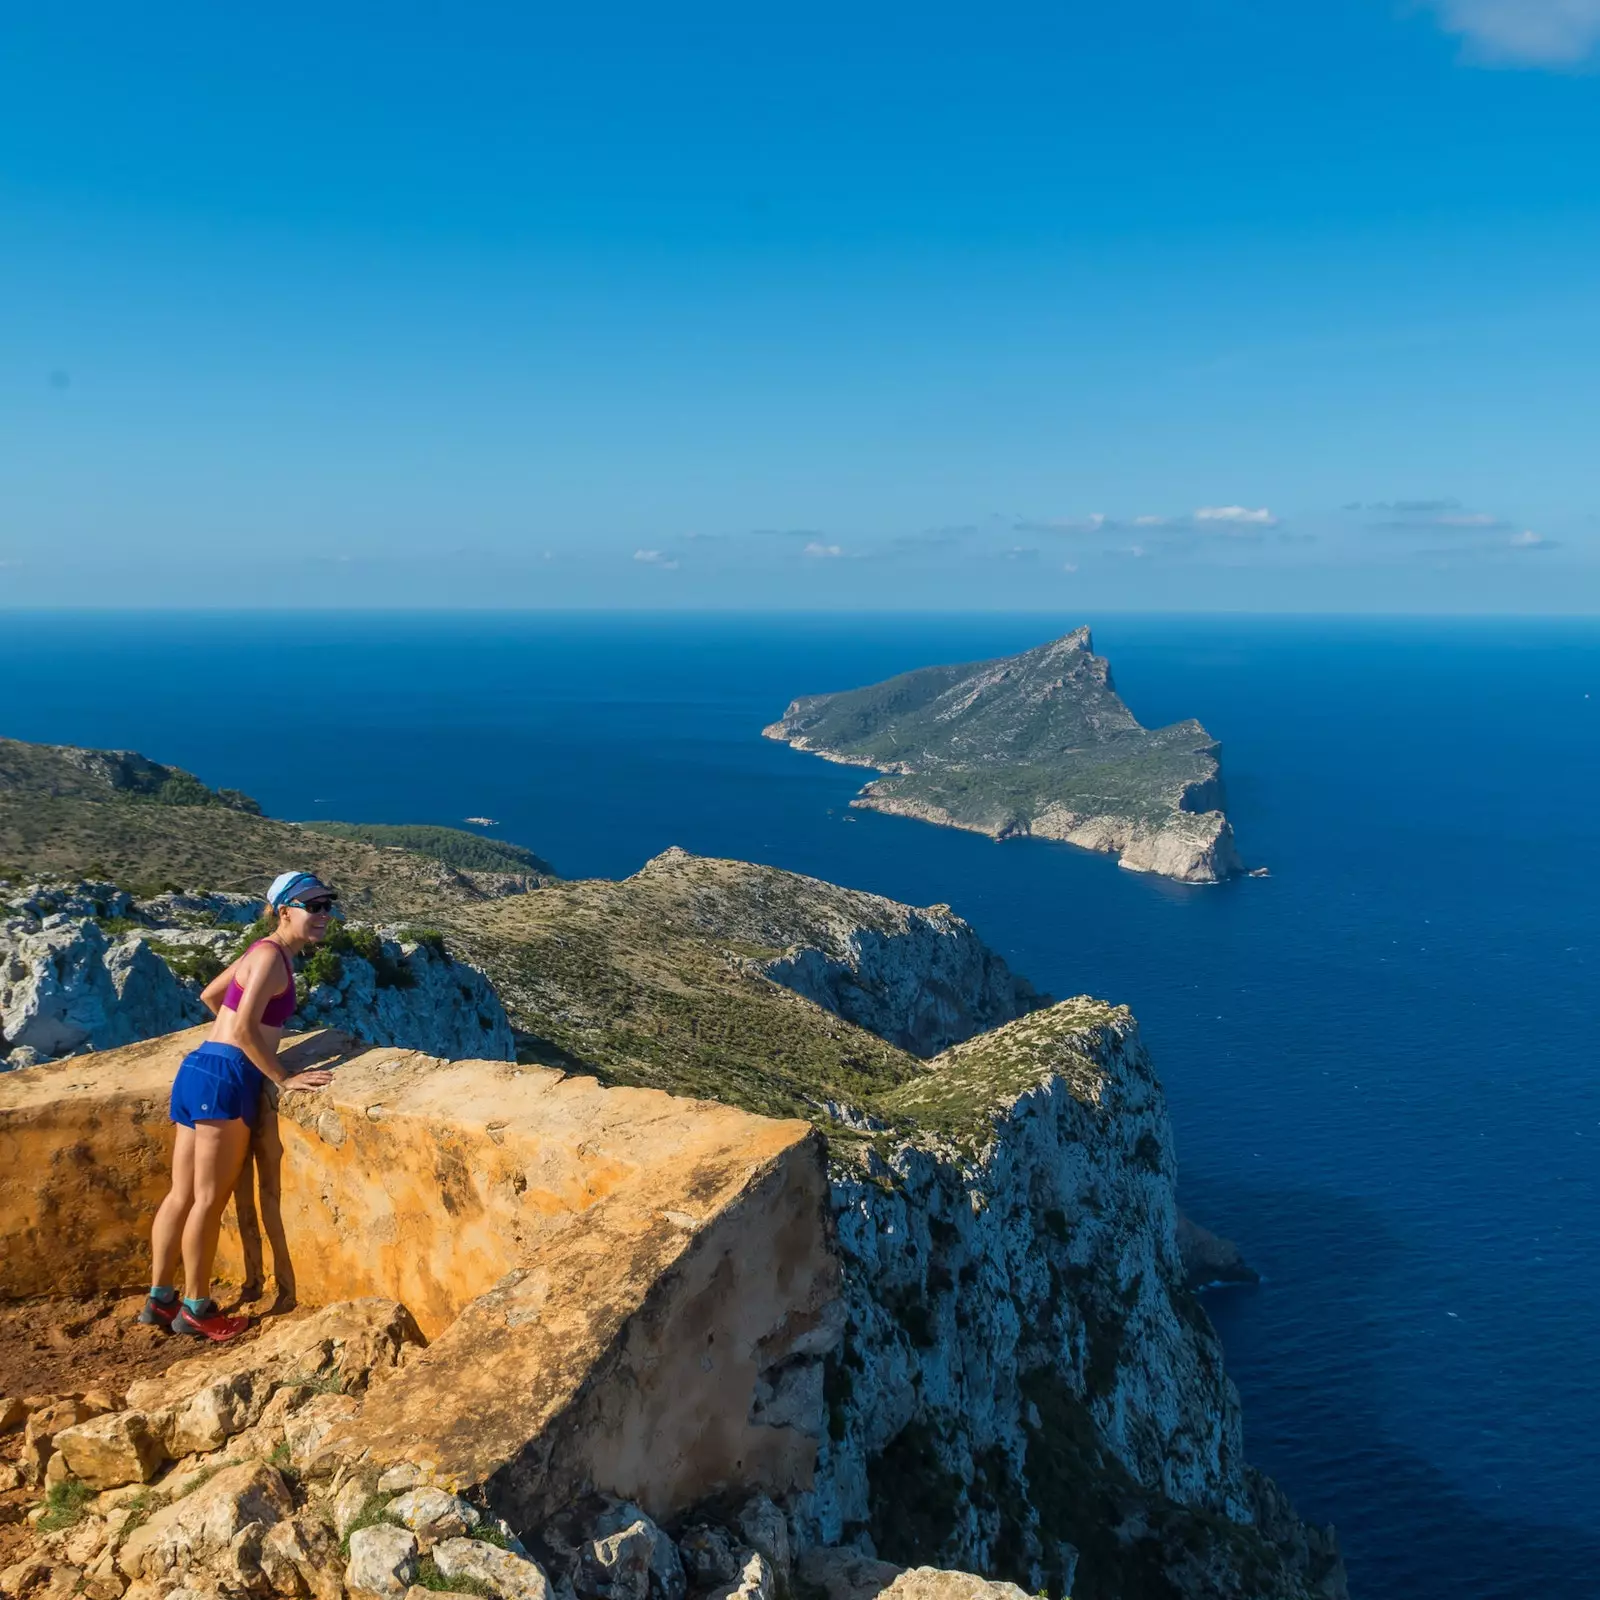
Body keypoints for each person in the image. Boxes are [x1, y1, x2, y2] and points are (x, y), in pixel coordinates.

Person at [140, 871, 338, 1342]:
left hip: (198, 1068)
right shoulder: (272, 959)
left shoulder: (259, 951)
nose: (324, 915)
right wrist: (282, 1077)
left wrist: (229, 1042)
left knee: (181, 1195)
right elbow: (247, 1030)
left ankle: (159, 1299)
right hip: (227, 1078)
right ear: (283, 909)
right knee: (207, 1200)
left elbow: (211, 995)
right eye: (314, 906)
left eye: (328, 904)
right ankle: (196, 1308)